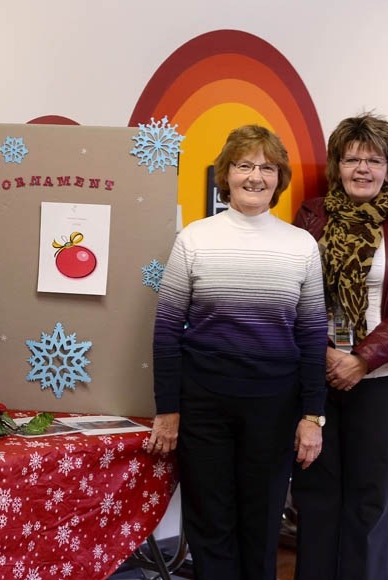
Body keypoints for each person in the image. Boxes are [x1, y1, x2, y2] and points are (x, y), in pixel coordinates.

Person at [147, 124, 328, 580]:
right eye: (244, 165)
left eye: (267, 167)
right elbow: (167, 330)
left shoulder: (301, 246)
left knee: (262, 524)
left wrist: (312, 416)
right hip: (204, 404)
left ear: (279, 178)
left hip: (274, 406)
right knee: (210, 523)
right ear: (225, 174)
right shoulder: (194, 238)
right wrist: (167, 410)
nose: (255, 176)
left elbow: (312, 336)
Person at [291, 113, 388, 580]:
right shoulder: (312, 217)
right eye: (352, 158)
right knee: (315, 499)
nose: (362, 168)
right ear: (337, 164)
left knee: (369, 502)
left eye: (373, 159)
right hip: (319, 379)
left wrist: (361, 358)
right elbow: (293, 293)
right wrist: (327, 356)